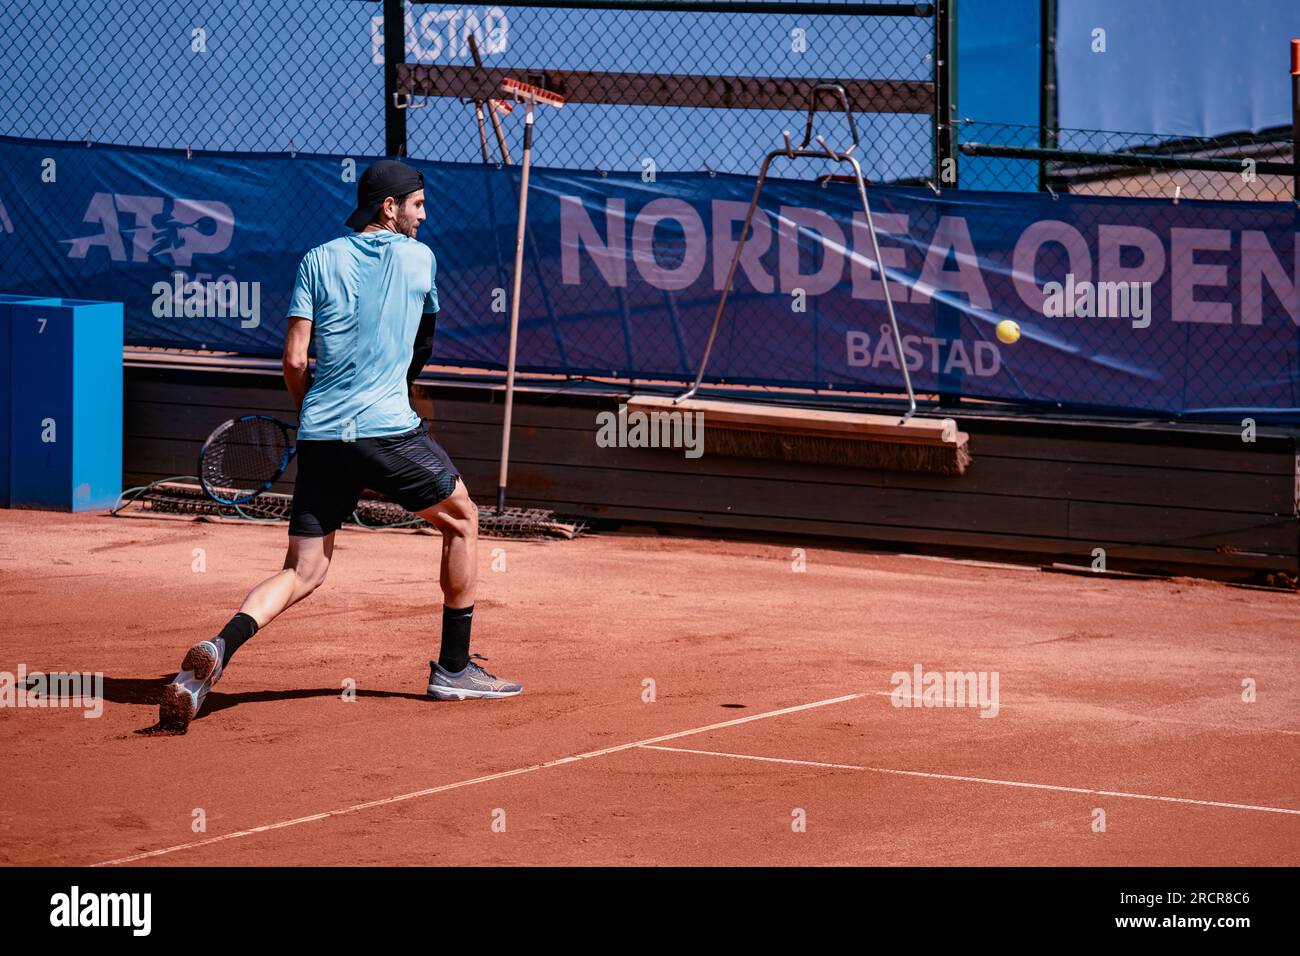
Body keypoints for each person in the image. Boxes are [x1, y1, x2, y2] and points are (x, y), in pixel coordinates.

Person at [159, 160, 522, 733]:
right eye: (419, 206)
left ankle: (218, 646)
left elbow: (294, 361)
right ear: (390, 207)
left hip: (322, 432)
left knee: (303, 569)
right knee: (463, 521)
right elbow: (421, 347)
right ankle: (453, 669)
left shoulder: (316, 258)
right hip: (387, 429)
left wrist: (314, 413)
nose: (424, 217)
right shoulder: (420, 259)